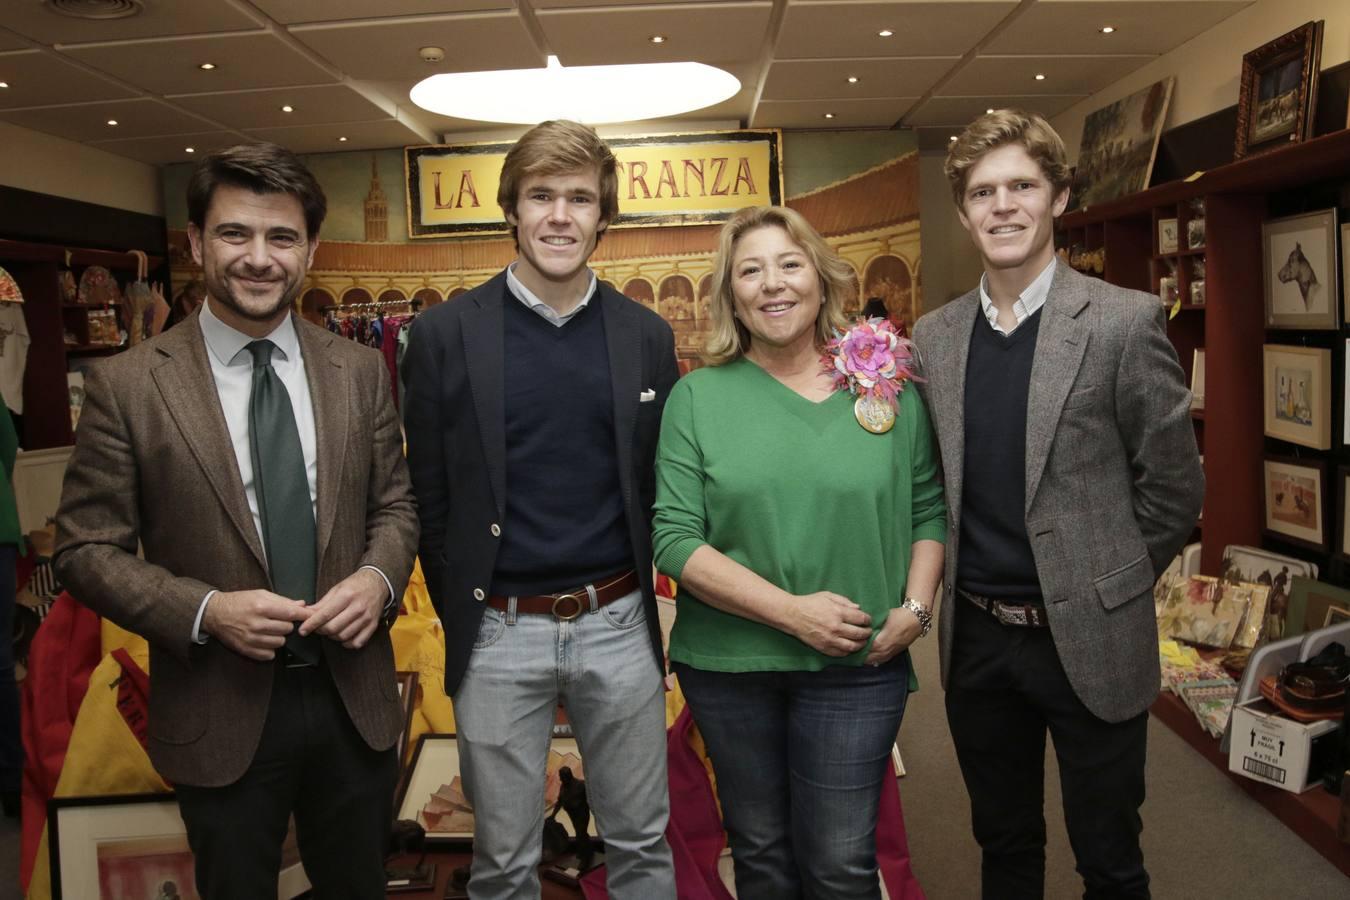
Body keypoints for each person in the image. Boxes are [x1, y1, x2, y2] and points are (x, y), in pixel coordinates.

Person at [53, 143, 419, 899]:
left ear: (310, 250)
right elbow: (85, 549)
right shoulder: (129, 387)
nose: (259, 258)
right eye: (235, 234)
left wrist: (379, 579)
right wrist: (207, 610)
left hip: (354, 701)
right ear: (195, 243)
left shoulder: (356, 371)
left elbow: (396, 505)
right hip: (219, 707)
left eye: (281, 238)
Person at [911, 109, 1203, 898]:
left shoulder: (1121, 321)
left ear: (1059, 196)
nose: (1002, 206)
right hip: (977, 642)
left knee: (1109, 855)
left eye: (1021, 186)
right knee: (1003, 845)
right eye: (981, 192)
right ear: (964, 212)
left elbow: (1174, 488)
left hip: (1092, 636)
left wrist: (1112, 579)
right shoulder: (933, 338)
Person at [402, 119, 677, 899]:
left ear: (603, 215)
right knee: (504, 860)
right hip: (497, 629)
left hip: (619, 621)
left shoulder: (645, 336)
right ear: (513, 211)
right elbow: (427, 493)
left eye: (580, 198)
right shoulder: (444, 334)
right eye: (542, 195)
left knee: (641, 845)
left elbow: (656, 485)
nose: (561, 214)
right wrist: (468, 612)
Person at [652, 204, 946, 898]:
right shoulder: (695, 397)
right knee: (761, 856)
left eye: (789, 264)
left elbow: (928, 507)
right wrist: (793, 614)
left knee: (841, 864)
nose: (772, 284)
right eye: (749, 271)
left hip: (857, 662)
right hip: (729, 669)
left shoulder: (885, 387)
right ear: (731, 294)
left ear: (821, 277)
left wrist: (917, 607)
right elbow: (674, 539)